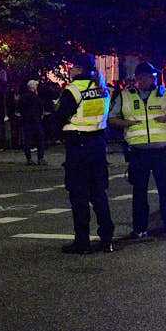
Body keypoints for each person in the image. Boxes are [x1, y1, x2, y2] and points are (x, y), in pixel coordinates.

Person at [109, 62, 166, 242]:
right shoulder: (125, 95)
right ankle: (139, 228)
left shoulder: (164, 93)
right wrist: (125, 123)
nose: (142, 81)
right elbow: (112, 118)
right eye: (139, 78)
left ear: (153, 78)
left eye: (146, 77)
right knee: (139, 192)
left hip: (161, 151)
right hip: (138, 152)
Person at [52, 54, 114, 254]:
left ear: (78, 69)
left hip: (78, 148)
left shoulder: (73, 89)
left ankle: (83, 242)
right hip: (97, 145)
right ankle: (107, 239)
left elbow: (60, 117)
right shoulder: (103, 88)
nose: (70, 70)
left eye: (72, 67)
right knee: (99, 194)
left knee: (79, 195)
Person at [19, 80, 47, 165]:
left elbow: (20, 109)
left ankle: (29, 159)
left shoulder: (23, 97)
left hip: (27, 121)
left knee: (27, 141)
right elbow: (40, 109)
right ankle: (40, 158)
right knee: (40, 140)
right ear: (34, 87)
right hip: (36, 121)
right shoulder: (36, 98)